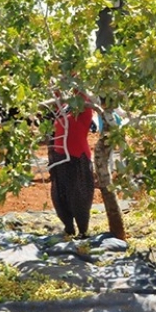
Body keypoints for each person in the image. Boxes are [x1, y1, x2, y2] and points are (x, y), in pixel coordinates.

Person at [48, 93, 95, 238]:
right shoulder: (63, 107)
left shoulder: (84, 109)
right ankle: (68, 228)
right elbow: (55, 94)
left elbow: (81, 93)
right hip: (59, 158)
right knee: (60, 196)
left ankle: (83, 231)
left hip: (77, 157)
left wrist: (75, 76)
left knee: (79, 196)